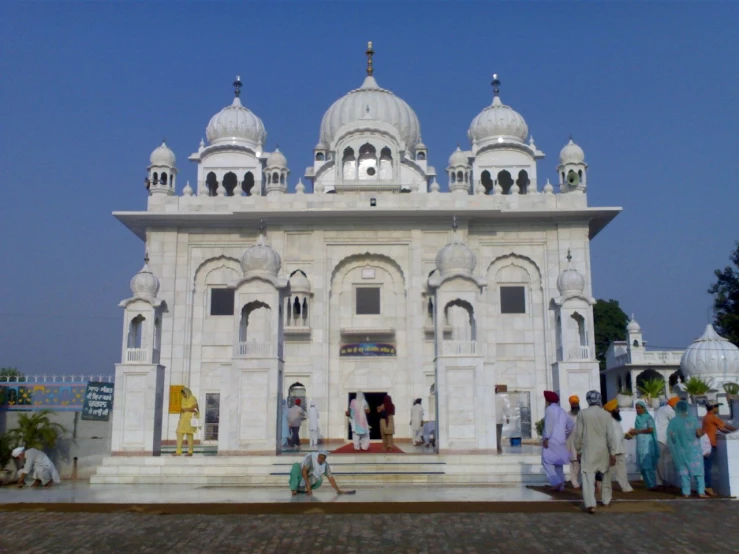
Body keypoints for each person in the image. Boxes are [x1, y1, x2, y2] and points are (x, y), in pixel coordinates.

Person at [574, 391, 617, 514]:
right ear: (599, 399)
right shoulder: (606, 414)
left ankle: (591, 505)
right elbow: (611, 435)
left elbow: (578, 434)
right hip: (603, 450)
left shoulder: (583, 414)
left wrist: (578, 449)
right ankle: (606, 500)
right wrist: (612, 452)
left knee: (588, 477)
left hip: (589, 450)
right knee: (606, 476)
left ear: (588, 400)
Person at [667, 400, 708, 498]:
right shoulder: (693, 419)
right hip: (694, 450)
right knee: (698, 471)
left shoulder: (673, 421)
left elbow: (671, 436)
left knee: (684, 472)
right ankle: (701, 492)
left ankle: (686, 492)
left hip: (681, 451)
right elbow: (698, 433)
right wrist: (703, 432)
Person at [702, 400, 737, 496]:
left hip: (705, 444)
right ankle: (708, 487)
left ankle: (705, 486)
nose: (717, 408)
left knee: (706, 466)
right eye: (716, 406)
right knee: (708, 467)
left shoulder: (706, 417)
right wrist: (736, 432)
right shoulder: (712, 417)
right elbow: (724, 427)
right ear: (713, 407)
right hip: (710, 444)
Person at [541, 391, 574, 492]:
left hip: (551, 440)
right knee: (558, 463)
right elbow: (571, 424)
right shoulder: (562, 410)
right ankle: (561, 486)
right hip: (561, 439)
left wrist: (546, 438)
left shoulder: (550, 410)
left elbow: (548, 425)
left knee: (545, 461)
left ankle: (556, 482)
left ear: (547, 400)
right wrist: (565, 433)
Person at [627, 400, 660, 490]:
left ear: (643, 408)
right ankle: (648, 484)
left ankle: (652, 484)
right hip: (640, 443)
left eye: (639, 408)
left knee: (648, 464)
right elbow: (638, 430)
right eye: (636, 408)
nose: (637, 410)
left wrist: (638, 431)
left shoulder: (648, 418)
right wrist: (631, 433)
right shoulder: (638, 418)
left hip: (647, 443)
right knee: (642, 464)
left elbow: (650, 429)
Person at [603, 398, 633, 492]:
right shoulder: (608, 421)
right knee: (608, 472)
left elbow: (618, 435)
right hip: (613, 451)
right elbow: (611, 438)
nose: (618, 409)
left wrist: (625, 435)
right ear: (612, 410)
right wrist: (612, 453)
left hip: (619, 450)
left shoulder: (616, 420)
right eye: (616, 408)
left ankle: (626, 487)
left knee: (622, 470)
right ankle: (603, 488)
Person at [654, 396, 680, 488]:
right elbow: (675, 424)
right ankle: (665, 480)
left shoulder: (661, 409)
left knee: (659, 461)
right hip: (663, 438)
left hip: (656, 437)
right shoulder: (670, 411)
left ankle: (659, 481)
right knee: (666, 461)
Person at [174, 387, 199, 456]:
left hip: (190, 419)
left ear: (187, 392)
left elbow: (196, 409)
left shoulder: (193, 398)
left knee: (189, 435)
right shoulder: (183, 399)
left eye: (184, 394)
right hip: (183, 419)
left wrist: (187, 409)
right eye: (182, 394)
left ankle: (190, 452)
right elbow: (182, 409)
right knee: (179, 433)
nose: (183, 395)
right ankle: (178, 451)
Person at [566, 395, 581, 489]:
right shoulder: (567, 415)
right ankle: (575, 482)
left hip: (581, 441)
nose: (575, 405)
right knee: (573, 462)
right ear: (571, 404)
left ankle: (578, 481)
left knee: (579, 462)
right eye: (573, 403)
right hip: (570, 441)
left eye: (576, 403)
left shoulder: (583, 414)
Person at [495, 388, 511, 454]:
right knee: (498, 434)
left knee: (494, 435)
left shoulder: (490, 398)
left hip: (492, 420)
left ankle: (497, 447)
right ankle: (498, 446)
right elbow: (506, 408)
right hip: (499, 419)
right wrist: (507, 417)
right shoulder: (501, 399)